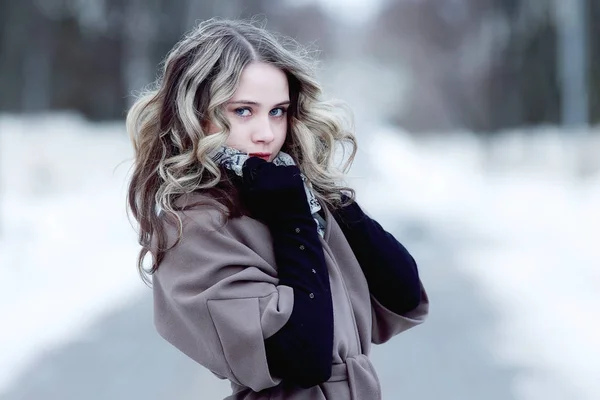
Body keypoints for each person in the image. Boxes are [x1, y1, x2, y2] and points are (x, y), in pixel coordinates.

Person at [126, 17, 429, 400]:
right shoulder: (195, 225)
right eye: (242, 111)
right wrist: (293, 219)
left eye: (277, 111)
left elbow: (404, 293)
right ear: (198, 116)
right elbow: (303, 356)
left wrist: (326, 194)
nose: (267, 134)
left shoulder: (292, 195)